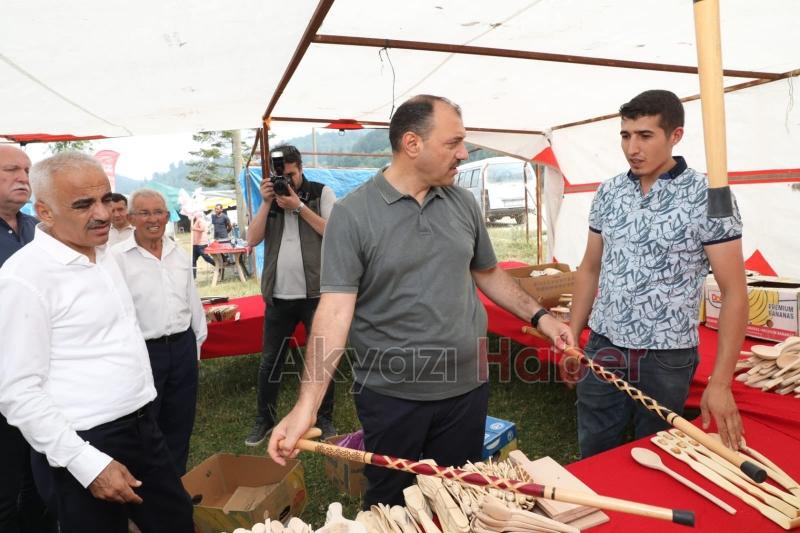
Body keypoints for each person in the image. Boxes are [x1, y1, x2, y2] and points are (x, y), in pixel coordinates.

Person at [267, 96, 573, 507]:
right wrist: (307, 406)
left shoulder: (462, 202)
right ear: (412, 144)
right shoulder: (354, 215)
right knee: (394, 505)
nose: (463, 154)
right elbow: (335, 312)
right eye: (454, 143)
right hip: (393, 397)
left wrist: (541, 317)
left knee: (458, 499)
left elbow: (487, 272)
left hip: (468, 388)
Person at [0, 152, 193, 533]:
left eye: (106, 198)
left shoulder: (103, 253)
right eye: (84, 204)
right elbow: (17, 391)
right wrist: (87, 464)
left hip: (143, 425)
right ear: (46, 212)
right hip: (81, 442)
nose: (104, 213)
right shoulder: (25, 278)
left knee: (177, 520)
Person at [562, 89, 748, 458]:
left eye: (645, 136)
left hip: (666, 355)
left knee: (658, 451)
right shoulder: (609, 192)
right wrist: (573, 335)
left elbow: (735, 292)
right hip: (604, 345)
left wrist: (721, 382)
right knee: (595, 447)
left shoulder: (710, 195)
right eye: (626, 135)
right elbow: (589, 268)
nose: (633, 148)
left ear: (675, 135)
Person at [244, 144, 338, 446]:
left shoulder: (320, 193)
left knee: (322, 358)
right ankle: (264, 419)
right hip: (279, 296)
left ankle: (324, 418)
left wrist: (298, 206)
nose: (286, 182)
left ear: (300, 168)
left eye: (291, 175)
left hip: (315, 294)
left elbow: (334, 233)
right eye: (281, 176)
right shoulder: (268, 200)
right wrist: (265, 203)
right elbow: (252, 238)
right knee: (270, 362)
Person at [111, 189, 208, 475]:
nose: (153, 219)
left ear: (167, 216)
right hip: (144, 352)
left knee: (180, 423)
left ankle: (175, 485)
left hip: (182, 347)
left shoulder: (178, 251)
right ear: (131, 218)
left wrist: (196, 345)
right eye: (144, 213)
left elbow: (192, 298)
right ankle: (147, 494)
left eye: (159, 212)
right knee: (145, 426)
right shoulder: (116, 258)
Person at [0, 145, 56, 533]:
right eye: (11, 170)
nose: (23, 177)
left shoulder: (37, 231)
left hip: (42, 376)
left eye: (27, 170)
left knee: (41, 472)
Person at [191, 211, 215, 278]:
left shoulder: (200, 220)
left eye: (193, 214)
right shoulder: (196, 221)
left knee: (206, 258)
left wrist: (193, 228)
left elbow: (202, 229)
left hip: (201, 244)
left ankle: (218, 266)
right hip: (195, 244)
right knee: (193, 260)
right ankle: (193, 277)